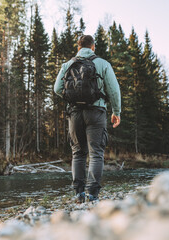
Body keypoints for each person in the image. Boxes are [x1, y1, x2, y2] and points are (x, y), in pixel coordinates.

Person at [54, 35, 121, 203]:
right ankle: (93, 195)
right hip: (96, 112)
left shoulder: (67, 64)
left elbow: (57, 88)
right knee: (96, 153)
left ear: (78, 48)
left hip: (75, 113)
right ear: (93, 47)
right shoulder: (103, 64)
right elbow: (114, 90)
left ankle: (78, 194)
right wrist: (116, 112)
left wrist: (71, 98)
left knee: (78, 153)